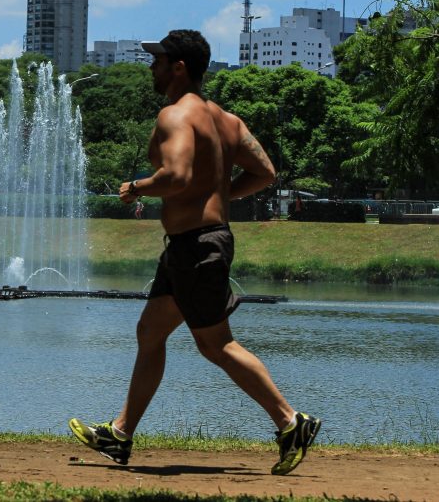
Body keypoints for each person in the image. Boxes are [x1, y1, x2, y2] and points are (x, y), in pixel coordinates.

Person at [68, 29, 320, 475]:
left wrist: (137, 187)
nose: (152, 67)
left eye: (158, 60)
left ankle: (290, 421)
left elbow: (177, 175)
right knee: (151, 331)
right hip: (194, 245)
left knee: (216, 344)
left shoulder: (175, 116)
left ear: (178, 67)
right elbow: (264, 172)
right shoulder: (227, 120)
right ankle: (121, 435)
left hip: (197, 247)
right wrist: (221, 192)